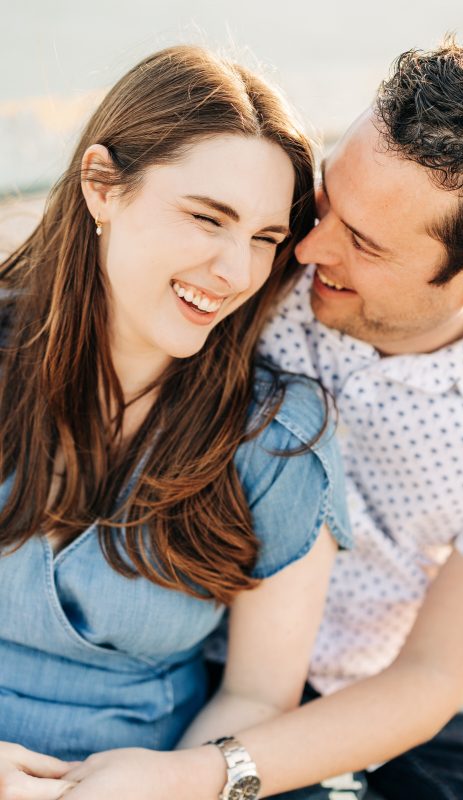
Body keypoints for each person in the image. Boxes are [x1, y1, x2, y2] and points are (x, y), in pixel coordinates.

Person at [135, 40, 463, 800]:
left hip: (402, 661)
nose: (307, 247)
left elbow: (435, 673)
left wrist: (207, 777)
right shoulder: (251, 248)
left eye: (364, 242)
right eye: (328, 201)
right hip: (211, 652)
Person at [0, 45, 352, 800]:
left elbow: (257, 697)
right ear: (102, 186)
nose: (235, 271)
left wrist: (165, 787)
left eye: (264, 239)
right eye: (206, 218)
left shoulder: (280, 436)